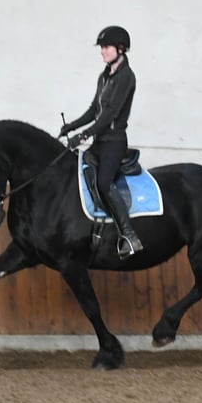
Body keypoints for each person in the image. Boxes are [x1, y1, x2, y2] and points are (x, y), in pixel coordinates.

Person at [59, 25, 144, 258]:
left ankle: (129, 235)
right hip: (100, 140)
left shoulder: (127, 76)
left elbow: (110, 115)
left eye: (106, 47)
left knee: (105, 183)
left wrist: (83, 135)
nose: (102, 52)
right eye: (102, 48)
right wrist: (72, 126)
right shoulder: (104, 77)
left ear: (120, 48)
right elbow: (93, 110)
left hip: (114, 142)